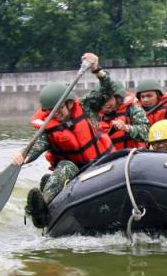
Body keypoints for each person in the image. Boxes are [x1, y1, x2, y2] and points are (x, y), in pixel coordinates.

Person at [11, 53, 113, 228]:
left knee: (63, 169)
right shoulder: (49, 129)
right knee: (65, 165)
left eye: (58, 109)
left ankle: (46, 193)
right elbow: (38, 146)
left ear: (70, 104)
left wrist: (97, 69)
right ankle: (40, 209)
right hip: (75, 174)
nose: (55, 113)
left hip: (100, 167)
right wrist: (23, 157)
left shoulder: (87, 108)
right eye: (50, 110)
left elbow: (106, 90)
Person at [96, 80, 149, 150]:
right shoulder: (93, 114)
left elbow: (146, 133)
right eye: (101, 99)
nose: (105, 103)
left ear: (118, 99)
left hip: (131, 155)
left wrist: (126, 128)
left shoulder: (132, 109)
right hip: (106, 157)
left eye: (109, 99)